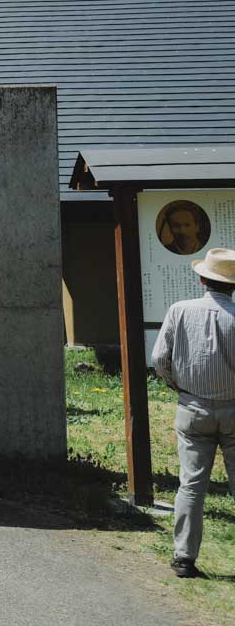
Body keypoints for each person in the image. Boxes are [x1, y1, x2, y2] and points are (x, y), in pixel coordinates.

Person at [151, 247, 235, 579]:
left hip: (192, 407)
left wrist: (180, 387)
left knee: (191, 484)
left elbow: (160, 359)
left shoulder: (179, 310)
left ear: (202, 278)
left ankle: (184, 558)